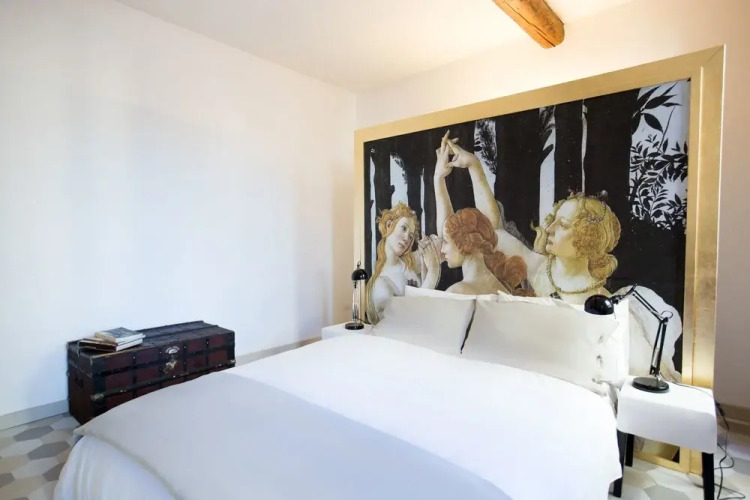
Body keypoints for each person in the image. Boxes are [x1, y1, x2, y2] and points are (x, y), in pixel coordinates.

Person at [439, 131, 681, 382]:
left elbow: (643, 376)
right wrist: (474, 166)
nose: (550, 228)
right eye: (553, 219)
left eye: (563, 225)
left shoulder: (604, 306)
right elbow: (493, 230)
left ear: (587, 239)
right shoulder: (541, 269)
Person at [365, 202, 441, 324]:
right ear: (389, 225)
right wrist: (433, 273)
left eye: (411, 236)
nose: (406, 238)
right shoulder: (380, 283)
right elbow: (400, 323)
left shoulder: (408, 264)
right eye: (404, 228)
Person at [442, 207, 528, 295]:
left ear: (465, 241)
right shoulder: (503, 291)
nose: (442, 250)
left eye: (445, 241)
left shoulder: (457, 291)